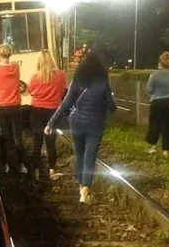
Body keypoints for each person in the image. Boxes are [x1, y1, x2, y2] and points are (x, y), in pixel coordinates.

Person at [44, 50, 116, 204]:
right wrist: (108, 103)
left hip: (76, 121)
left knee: (79, 154)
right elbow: (111, 105)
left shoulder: (77, 81)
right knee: (90, 157)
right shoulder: (103, 82)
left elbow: (65, 104)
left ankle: (80, 185)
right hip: (95, 123)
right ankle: (85, 190)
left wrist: (51, 122)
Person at [0, 43, 27, 174]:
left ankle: (7, 164)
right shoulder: (16, 68)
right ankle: (21, 164)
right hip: (15, 105)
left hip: (2, 106)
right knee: (18, 135)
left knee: (5, 135)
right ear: (10, 54)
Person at [28, 50, 67, 181]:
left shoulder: (34, 77)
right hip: (53, 112)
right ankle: (52, 171)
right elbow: (62, 92)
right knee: (51, 143)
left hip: (37, 111)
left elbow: (30, 91)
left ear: (39, 62)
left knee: (37, 142)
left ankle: (36, 172)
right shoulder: (61, 75)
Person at [146, 52, 169, 158]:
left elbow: (149, 89)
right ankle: (167, 150)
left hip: (157, 102)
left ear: (159, 63)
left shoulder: (154, 74)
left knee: (154, 124)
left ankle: (152, 147)